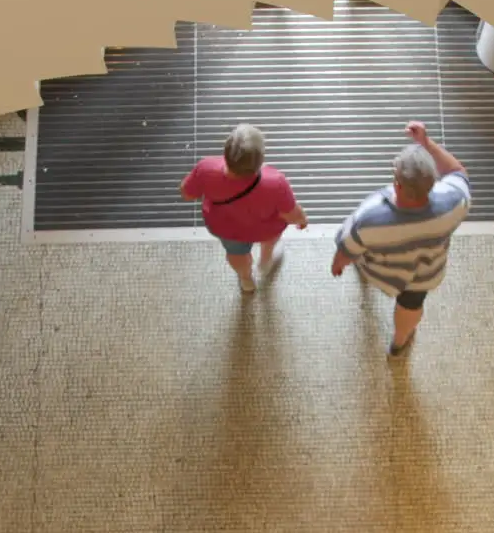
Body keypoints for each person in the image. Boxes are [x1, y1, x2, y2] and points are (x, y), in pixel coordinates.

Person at [331, 121, 471, 357]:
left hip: (382, 271)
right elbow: (458, 173)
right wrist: (427, 143)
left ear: (397, 184)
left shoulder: (371, 217)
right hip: (424, 275)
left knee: (361, 263)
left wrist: (338, 263)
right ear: (432, 182)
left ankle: (364, 279)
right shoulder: (454, 202)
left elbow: (348, 245)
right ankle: (400, 340)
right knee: (411, 306)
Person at [181, 124, 309, 293]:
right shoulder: (275, 182)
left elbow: (187, 194)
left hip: (228, 230)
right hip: (266, 229)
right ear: (260, 160)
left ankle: (246, 279)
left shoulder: (206, 169)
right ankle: (265, 262)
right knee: (269, 243)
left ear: (226, 153)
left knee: (237, 255)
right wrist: (301, 219)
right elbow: (290, 213)